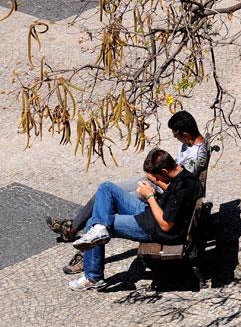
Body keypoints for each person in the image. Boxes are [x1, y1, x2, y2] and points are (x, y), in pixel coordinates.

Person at [46, 110, 207, 274]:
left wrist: (152, 188)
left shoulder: (195, 159)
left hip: (158, 192)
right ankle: (74, 230)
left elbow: (178, 191)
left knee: (106, 207)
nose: (175, 137)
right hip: (159, 182)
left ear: (186, 133)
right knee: (105, 190)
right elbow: (177, 182)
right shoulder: (190, 144)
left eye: (176, 134)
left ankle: (84, 251)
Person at [68, 148, 201, 291]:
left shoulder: (182, 190)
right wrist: (155, 188)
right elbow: (171, 193)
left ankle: (93, 277)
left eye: (156, 178)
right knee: (106, 188)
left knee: (90, 223)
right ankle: (100, 228)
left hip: (153, 227)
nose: (156, 181)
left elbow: (166, 225)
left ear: (163, 171)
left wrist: (149, 196)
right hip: (152, 213)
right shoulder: (184, 175)